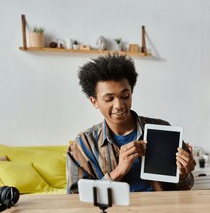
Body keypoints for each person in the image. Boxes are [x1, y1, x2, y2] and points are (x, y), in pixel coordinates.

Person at [66, 54, 196, 193]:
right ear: (94, 102)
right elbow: (76, 199)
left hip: (159, 211)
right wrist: (118, 172)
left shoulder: (163, 130)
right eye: (109, 99)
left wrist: (183, 175)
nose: (119, 105)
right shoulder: (82, 146)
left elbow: (185, 188)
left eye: (125, 96)